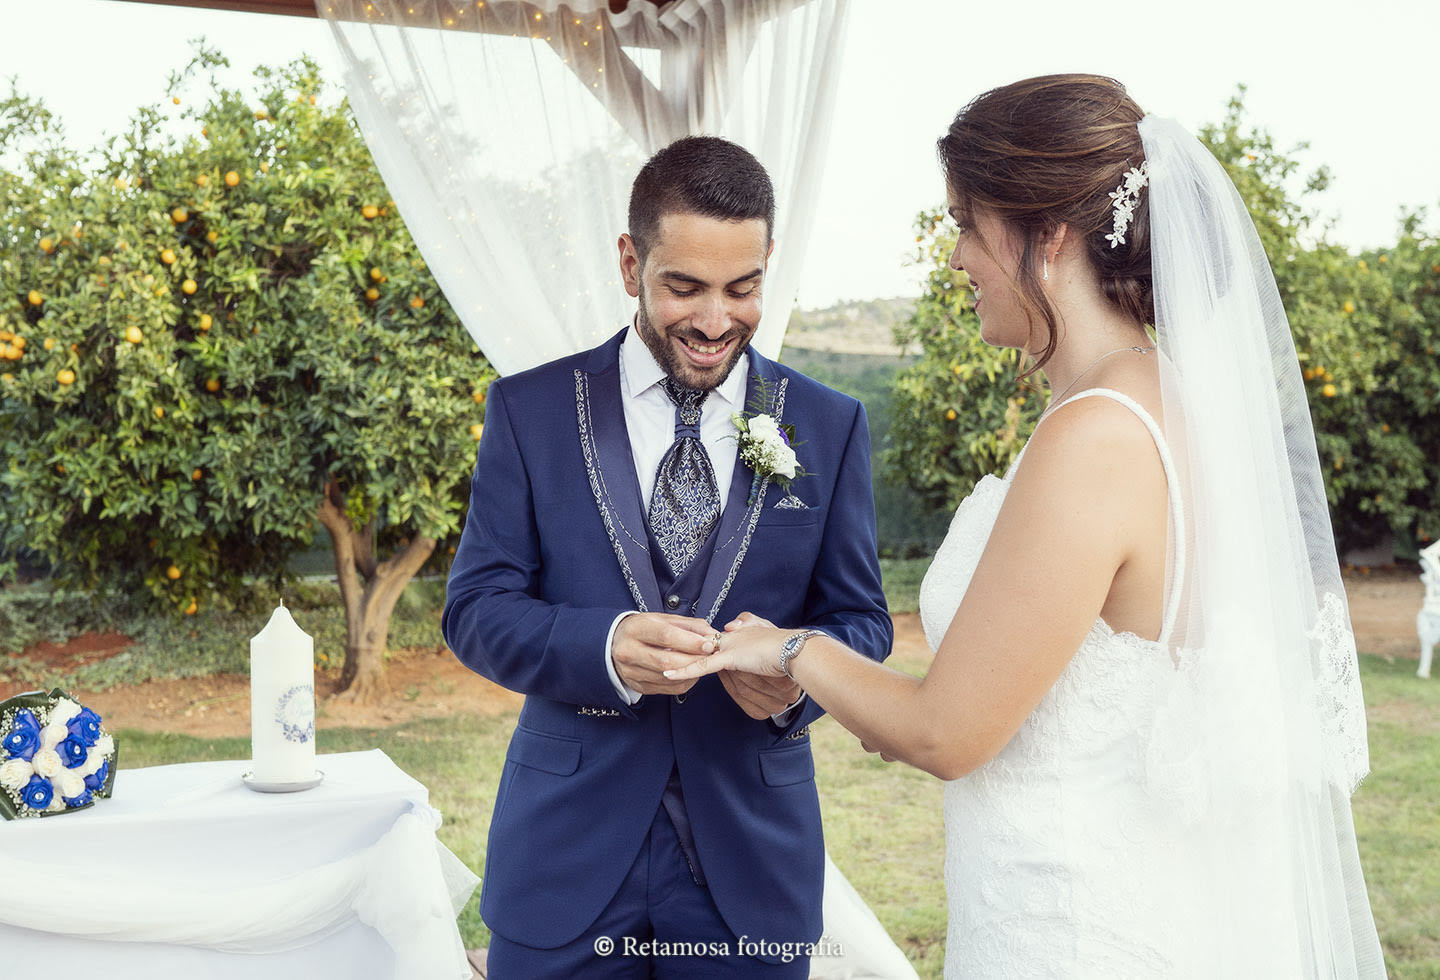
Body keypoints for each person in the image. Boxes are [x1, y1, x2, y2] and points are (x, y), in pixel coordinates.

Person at [667, 75, 1387, 977]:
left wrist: (786, 649)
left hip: (1070, 929)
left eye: (968, 223)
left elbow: (945, 733)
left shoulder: (1097, 437)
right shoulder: (1165, 406)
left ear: (1046, 236)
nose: (957, 257)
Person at [442, 135, 893, 977]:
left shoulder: (830, 426)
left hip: (750, 866)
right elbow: (474, 611)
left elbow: (862, 620)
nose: (716, 322)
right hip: (564, 858)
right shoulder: (529, 411)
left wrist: (796, 678)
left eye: (743, 288)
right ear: (629, 263)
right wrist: (601, 645)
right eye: (684, 287)